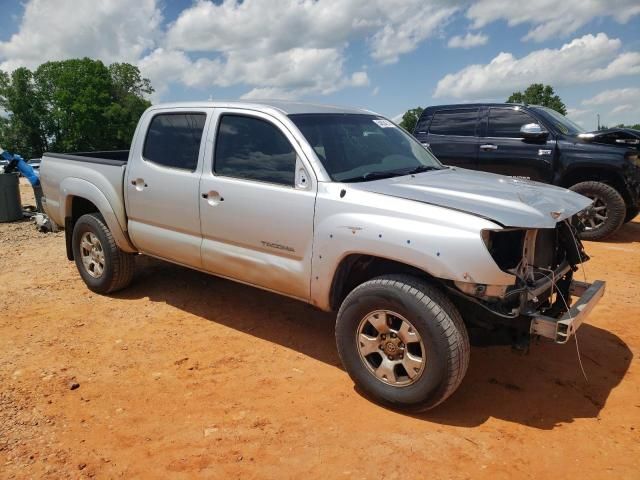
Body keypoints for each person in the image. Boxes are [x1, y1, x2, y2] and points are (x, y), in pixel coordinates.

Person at [0, 146, 43, 212]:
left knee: (39, 196)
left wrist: (1, 151)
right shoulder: (24, 165)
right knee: (39, 196)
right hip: (37, 181)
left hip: (36, 181)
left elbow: (10, 159)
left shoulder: (19, 162)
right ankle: (41, 209)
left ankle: (41, 210)